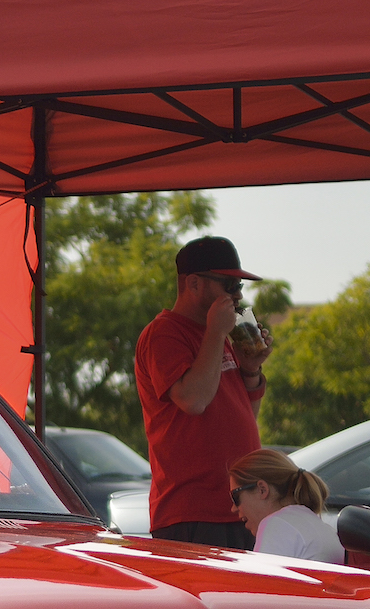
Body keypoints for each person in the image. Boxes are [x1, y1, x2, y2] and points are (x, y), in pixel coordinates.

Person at [135, 236, 274, 549]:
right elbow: (193, 400)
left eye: (240, 286)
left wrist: (251, 370)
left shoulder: (220, 333)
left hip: (240, 507)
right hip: (194, 512)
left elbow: (245, 418)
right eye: (229, 284)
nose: (238, 295)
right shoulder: (165, 333)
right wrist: (215, 332)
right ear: (194, 283)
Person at [229, 448, 341, 563]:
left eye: (235, 497)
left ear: (262, 489)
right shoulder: (323, 528)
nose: (233, 509)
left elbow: (261, 580)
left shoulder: (277, 524)